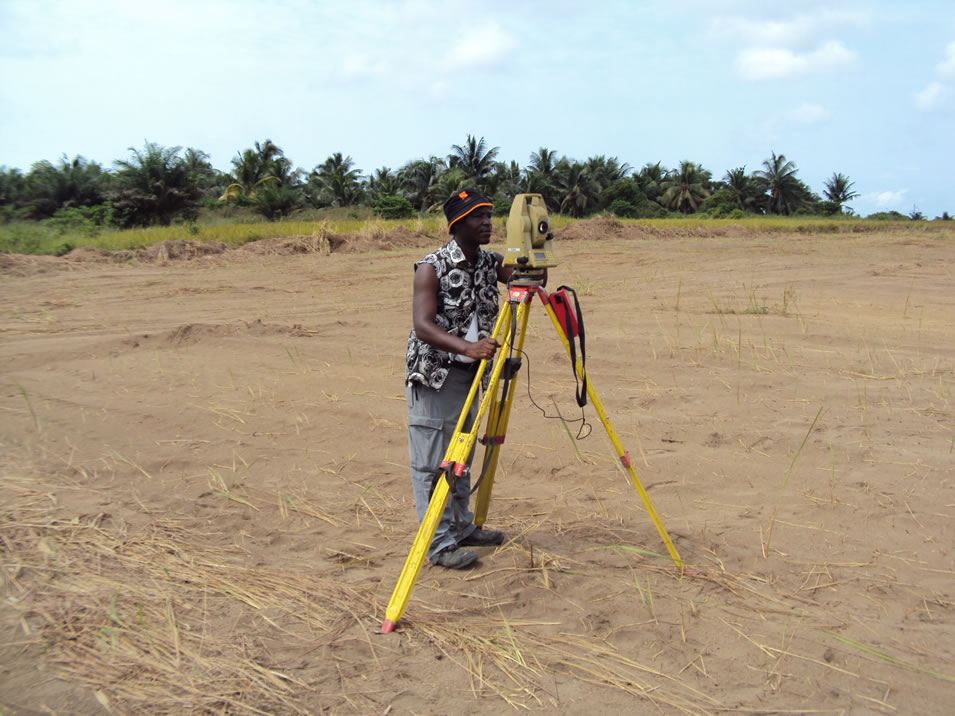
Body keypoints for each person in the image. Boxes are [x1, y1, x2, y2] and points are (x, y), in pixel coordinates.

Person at [404, 188, 512, 569]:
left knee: (462, 453)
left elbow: (530, 277)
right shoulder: (430, 267)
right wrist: (467, 349)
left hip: (472, 374)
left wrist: (536, 247)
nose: (487, 223)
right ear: (457, 224)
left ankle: (463, 527)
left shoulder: (490, 262)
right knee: (434, 462)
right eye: (477, 217)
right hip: (435, 375)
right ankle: (438, 543)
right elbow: (422, 325)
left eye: (489, 215)